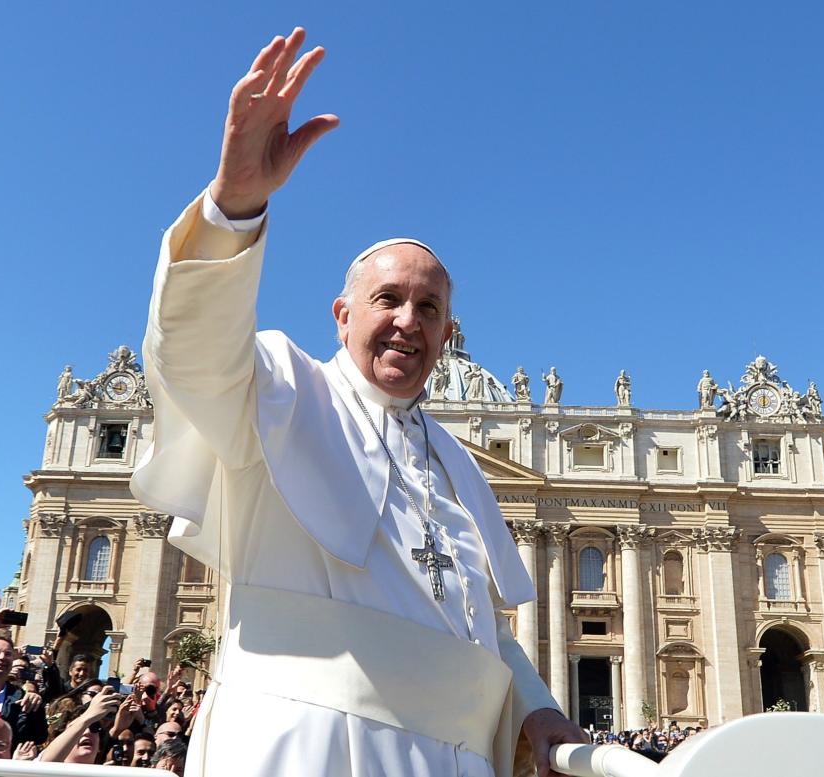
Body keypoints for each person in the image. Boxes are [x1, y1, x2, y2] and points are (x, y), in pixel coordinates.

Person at [128, 26, 584, 777]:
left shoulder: (463, 470)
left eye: (431, 308)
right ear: (343, 315)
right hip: (305, 746)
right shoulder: (280, 388)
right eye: (389, 299)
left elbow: (474, 626)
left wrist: (536, 705)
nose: (410, 320)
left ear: (447, 333)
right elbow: (191, 353)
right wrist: (235, 203)